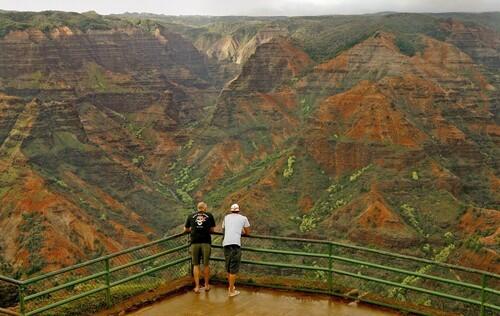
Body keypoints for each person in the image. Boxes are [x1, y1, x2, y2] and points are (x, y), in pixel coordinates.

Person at [184, 201, 216, 293]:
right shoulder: (209, 215)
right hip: (206, 242)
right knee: (206, 264)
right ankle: (206, 285)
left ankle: (197, 287)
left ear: (198, 208)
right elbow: (212, 229)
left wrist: (192, 229)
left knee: (196, 264)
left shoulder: (191, 216)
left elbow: (186, 229)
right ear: (205, 208)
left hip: (194, 242)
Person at [222, 203, 250, 297]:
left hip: (226, 244)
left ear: (231, 210)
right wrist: (240, 231)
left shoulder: (226, 217)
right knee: (233, 269)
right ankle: (231, 291)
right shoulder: (243, 218)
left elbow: (224, 229)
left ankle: (231, 286)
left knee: (229, 266)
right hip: (235, 245)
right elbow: (247, 232)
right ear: (238, 210)